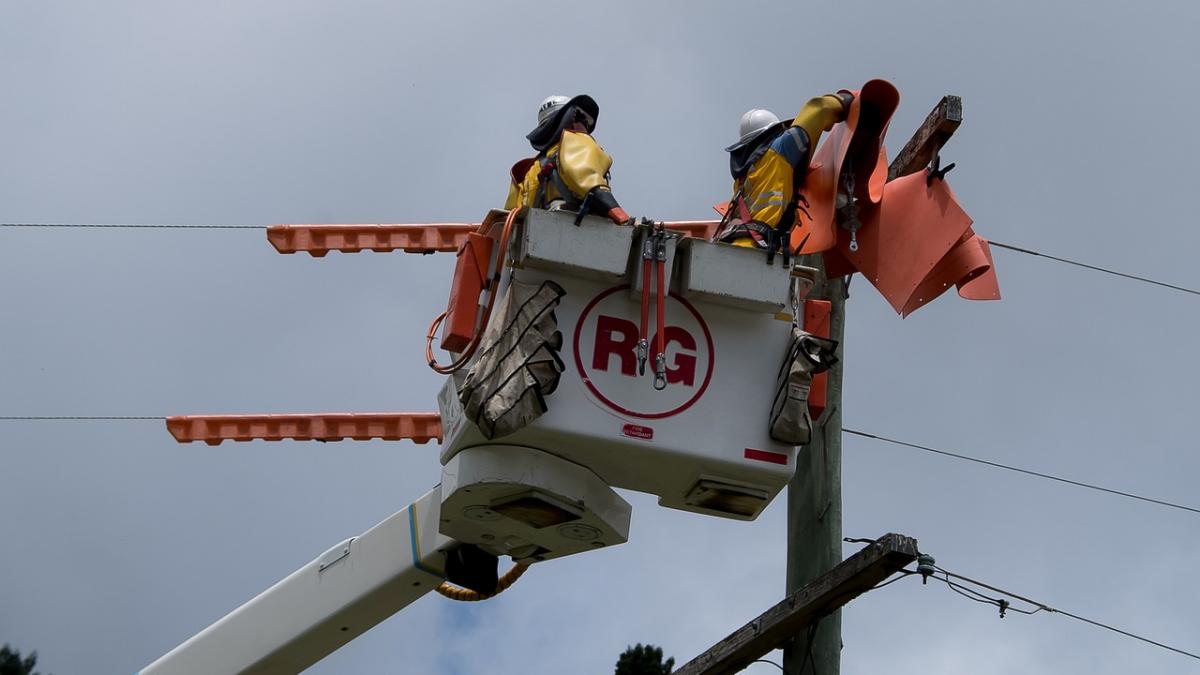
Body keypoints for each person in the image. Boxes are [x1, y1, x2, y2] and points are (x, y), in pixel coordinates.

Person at [714, 92, 854, 262]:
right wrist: (847, 101)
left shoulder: (743, 179)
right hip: (756, 253)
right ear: (773, 133)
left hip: (735, 249)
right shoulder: (779, 151)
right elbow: (818, 109)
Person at [504, 94, 631, 225]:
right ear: (568, 119)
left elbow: (506, 221)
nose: (585, 127)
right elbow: (591, 185)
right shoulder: (575, 142)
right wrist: (621, 218)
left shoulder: (528, 172)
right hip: (574, 232)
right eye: (582, 119)